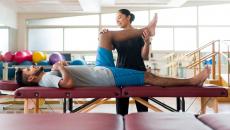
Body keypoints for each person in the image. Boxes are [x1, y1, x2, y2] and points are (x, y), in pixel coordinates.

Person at [15, 16, 210, 91]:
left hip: (99, 69)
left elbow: (67, 77)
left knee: (104, 36)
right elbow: (68, 84)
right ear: (31, 79)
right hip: (106, 76)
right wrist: (59, 68)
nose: (31, 67)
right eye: (28, 70)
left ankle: (147, 30)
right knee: (149, 77)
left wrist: (63, 67)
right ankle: (192, 81)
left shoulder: (45, 76)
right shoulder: (45, 79)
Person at [101, 9, 152, 115]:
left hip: (139, 72)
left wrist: (147, 43)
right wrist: (103, 37)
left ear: (128, 17)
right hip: (121, 73)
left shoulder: (140, 34)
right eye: (116, 19)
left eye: (119, 17)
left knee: (142, 111)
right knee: (121, 112)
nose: (117, 21)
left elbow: (145, 56)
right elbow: (107, 49)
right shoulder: (116, 36)